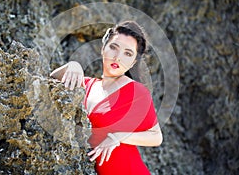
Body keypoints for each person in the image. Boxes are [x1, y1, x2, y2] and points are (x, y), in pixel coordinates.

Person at [50, 21, 162, 175]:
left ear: (133, 62)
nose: (117, 57)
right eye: (113, 47)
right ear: (103, 48)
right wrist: (72, 65)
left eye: (127, 53)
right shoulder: (86, 85)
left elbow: (156, 137)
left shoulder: (136, 92)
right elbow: (50, 80)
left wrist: (118, 137)